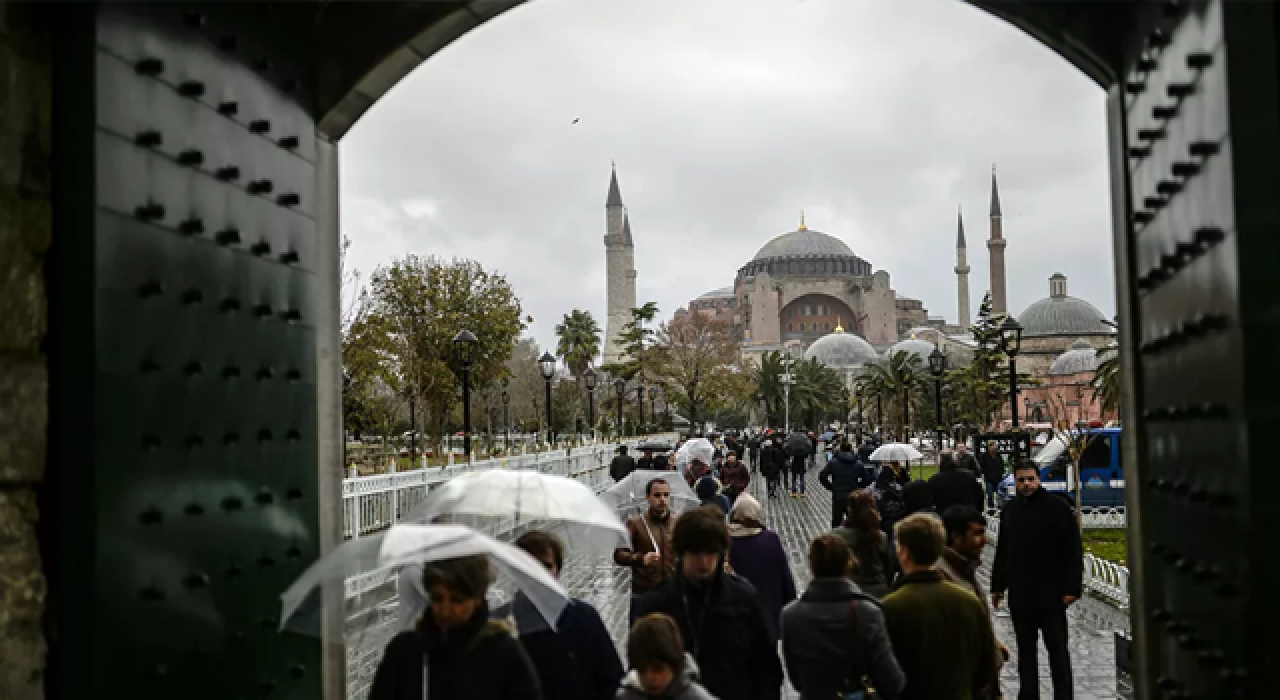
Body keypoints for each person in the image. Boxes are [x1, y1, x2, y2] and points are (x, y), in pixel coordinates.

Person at [634, 506, 784, 700]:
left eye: (710, 552)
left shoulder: (743, 598)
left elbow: (766, 667)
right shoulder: (657, 604)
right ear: (682, 552)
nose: (703, 561)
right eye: (696, 553)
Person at [370, 554, 542, 700]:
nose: (445, 611)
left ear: (477, 598)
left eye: (457, 600)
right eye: (437, 598)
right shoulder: (404, 651)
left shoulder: (505, 654)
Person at [991, 462, 1083, 700]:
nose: (1026, 484)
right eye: (1021, 480)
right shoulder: (1010, 510)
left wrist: (1072, 587)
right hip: (1021, 594)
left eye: (1030, 479)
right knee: (1026, 653)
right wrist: (998, 586)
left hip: (1052, 594)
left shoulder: (1057, 508)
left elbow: (1072, 550)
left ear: (1038, 479)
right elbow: (1003, 549)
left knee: (1057, 651)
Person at [881, 513, 998, 700]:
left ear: (904, 552)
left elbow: (885, 671)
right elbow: (988, 662)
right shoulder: (968, 601)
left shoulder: (891, 606)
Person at [780, 534, 905, 700]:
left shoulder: (790, 615)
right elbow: (892, 681)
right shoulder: (867, 613)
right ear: (848, 564)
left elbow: (796, 679)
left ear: (812, 565)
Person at [512, 531, 624, 700]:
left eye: (546, 566)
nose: (538, 573)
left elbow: (611, 680)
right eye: (529, 565)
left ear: (558, 570)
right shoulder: (502, 625)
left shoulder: (584, 617)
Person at [937, 506, 1007, 700]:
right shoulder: (943, 576)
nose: (985, 540)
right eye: (977, 534)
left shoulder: (964, 569)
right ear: (956, 537)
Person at [726, 494, 796, 640]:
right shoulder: (770, 540)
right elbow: (785, 578)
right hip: (768, 620)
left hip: (736, 622)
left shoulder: (726, 542)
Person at [614, 478, 677, 625]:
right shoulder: (635, 523)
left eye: (666, 495)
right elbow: (619, 554)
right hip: (644, 592)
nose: (662, 500)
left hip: (671, 592)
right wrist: (640, 559)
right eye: (657, 495)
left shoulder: (677, 523)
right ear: (647, 497)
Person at [616, 613, 717, 700]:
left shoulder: (695, 697)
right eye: (642, 670)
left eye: (658, 669)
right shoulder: (627, 696)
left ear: (674, 664)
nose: (650, 678)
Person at [832, 491, 894, 598]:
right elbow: (889, 567)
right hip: (878, 591)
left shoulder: (837, 536)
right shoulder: (881, 536)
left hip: (848, 591)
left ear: (849, 509)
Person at [819, 441, 873, 528]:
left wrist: (831, 487)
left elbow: (822, 476)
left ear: (840, 450)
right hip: (852, 494)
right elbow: (867, 479)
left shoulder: (833, 463)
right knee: (853, 519)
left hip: (838, 494)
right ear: (851, 450)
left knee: (837, 520)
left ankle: (836, 535)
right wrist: (858, 487)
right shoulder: (858, 464)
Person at [978, 442, 1006, 509]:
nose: (994, 448)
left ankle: (1000, 506)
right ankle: (990, 507)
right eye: (992, 446)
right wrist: (985, 474)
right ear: (989, 448)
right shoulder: (984, 456)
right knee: (990, 494)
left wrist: (1002, 473)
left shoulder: (998, 456)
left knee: (1000, 494)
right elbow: (982, 467)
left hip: (998, 478)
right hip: (989, 479)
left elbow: (1002, 465)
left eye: (995, 446)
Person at [760, 433, 785, 499]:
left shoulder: (763, 451)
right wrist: (780, 467)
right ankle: (773, 491)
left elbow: (761, 461)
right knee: (774, 480)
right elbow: (780, 460)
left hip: (766, 468)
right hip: (775, 468)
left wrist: (761, 469)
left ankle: (769, 491)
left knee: (768, 480)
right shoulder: (776, 451)